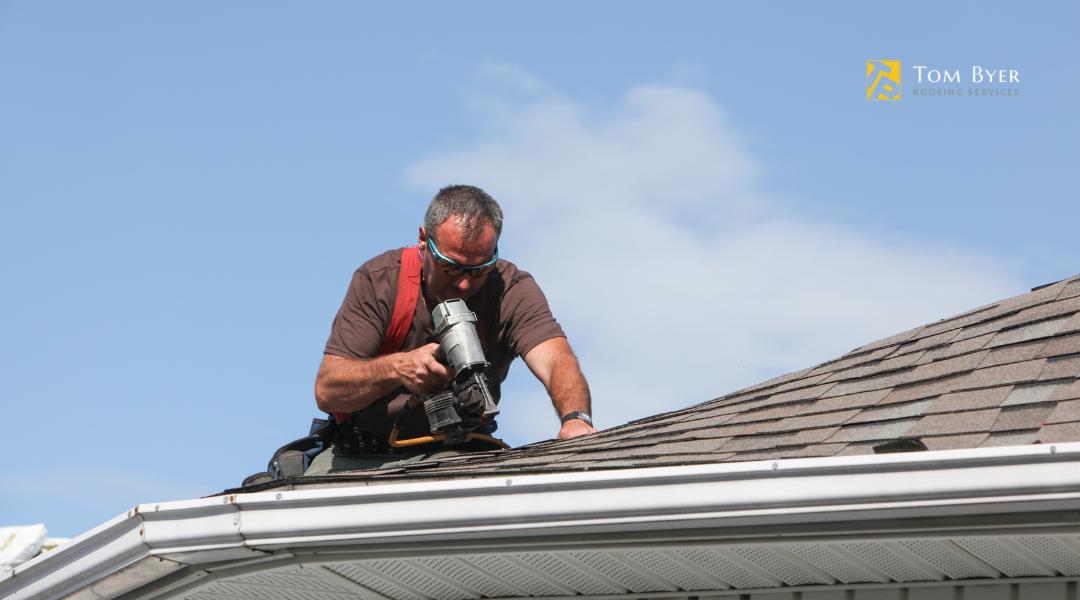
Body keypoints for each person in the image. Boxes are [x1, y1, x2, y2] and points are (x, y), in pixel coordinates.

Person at [304, 185, 595, 475]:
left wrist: (575, 418)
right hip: (362, 454)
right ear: (423, 240)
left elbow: (556, 360)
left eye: (480, 269)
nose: (465, 284)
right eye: (452, 267)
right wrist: (397, 368)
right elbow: (327, 390)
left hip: (459, 452)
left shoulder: (511, 289)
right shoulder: (379, 281)